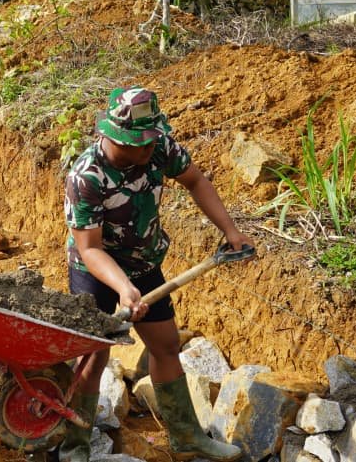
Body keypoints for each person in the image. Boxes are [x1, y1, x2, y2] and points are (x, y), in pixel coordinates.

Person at [61, 86, 254, 462]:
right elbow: (90, 248)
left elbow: (196, 181)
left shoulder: (159, 148)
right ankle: (73, 447)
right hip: (96, 271)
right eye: (143, 141)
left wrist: (231, 231)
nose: (151, 146)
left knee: (165, 345)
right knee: (93, 357)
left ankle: (186, 438)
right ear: (119, 137)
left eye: (153, 138)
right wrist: (123, 288)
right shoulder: (86, 176)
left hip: (144, 262)